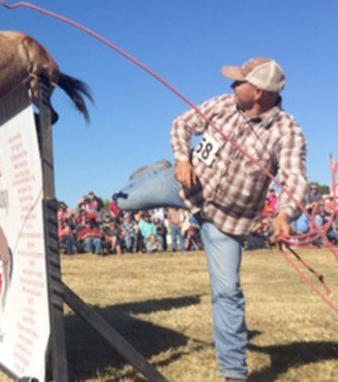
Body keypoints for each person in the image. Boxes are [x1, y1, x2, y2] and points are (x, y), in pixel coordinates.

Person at [116, 58, 308, 381]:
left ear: (259, 92)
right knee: (123, 203)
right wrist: (181, 159)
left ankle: (234, 374)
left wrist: (285, 213)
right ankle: (157, 170)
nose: (232, 86)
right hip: (184, 186)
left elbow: (295, 178)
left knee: (228, 292)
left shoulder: (287, 132)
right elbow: (182, 124)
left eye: (239, 82)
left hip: (225, 223)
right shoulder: (223, 105)